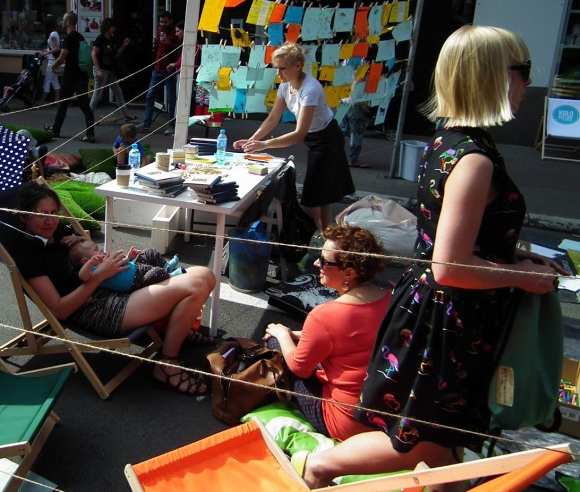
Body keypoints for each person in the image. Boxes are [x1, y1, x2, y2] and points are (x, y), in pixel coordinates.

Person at [296, 26, 571, 489]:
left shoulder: (449, 142)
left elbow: (457, 236)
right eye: (522, 71)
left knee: (442, 435)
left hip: (441, 311)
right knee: (425, 438)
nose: (527, 81)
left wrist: (516, 254)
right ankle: (321, 467)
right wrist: (520, 277)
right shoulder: (474, 158)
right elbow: (449, 265)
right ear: (491, 77)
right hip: (452, 318)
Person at [0, 181, 216, 395]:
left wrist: (89, 248)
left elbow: (88, 254)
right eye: (40, 214)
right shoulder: (27, 255)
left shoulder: (58, 232)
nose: (50, 220)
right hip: (97, 311)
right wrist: (97, 278)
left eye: (54, 212)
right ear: (24, 216)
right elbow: (60, 310)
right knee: (195, 284)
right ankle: (167, 365)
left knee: (205, 275)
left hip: (111, 291)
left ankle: (177, 327)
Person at [264, 224, 390, 442]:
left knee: (274, 343)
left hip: (345, 422)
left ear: (348, 273)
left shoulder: (324, 315)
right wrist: (300, 334)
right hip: (384, 415)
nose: (316, 263)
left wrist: (283, 334)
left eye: (324, 261)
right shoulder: (390, 298)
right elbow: (349, 338)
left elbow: (299, 368)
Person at [234, 42, 354, 232]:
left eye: (282, 69)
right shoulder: (285, 86)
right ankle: (325, 237)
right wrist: (252, 140)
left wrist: (264, 144)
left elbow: (299, 134)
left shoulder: (310, 89)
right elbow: (273, 118)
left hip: (328, 140)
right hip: (315, 140)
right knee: (321, 197)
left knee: (312, 200)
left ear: (297, 65)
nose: (278, 74)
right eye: (276, 68)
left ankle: (319, 238)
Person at [44, 12, 97, 142]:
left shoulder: (69, 38)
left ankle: (56, 130)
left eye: (63, 20)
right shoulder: (80, 37)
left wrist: (53, 67)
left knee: (63, 103)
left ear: (68, 22)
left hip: (70, 76)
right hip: (81, 75)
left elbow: (62, 57)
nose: (62, 22)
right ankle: (90, 134)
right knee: (85, 105)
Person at [68, 240, 180, 292]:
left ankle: (166, 266)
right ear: (84, 261)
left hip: (137, 268)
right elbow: (82, 276)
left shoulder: (105, 260)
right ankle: (170, 275)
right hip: (137, 282)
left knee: (148, 252)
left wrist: (129, 257)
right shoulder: (92, 271)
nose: (101, 249)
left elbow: (122, 263)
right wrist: (90, 263)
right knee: (155, 273)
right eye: (96, 249)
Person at [139, 11, 180, 133]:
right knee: (150, 96)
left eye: (165, 22)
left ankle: (172, 125)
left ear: (170, 21)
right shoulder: (159, 30)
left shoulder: (176, 32)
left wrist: (169, 43)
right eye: (161, 22)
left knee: (171, 98)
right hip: (157, 68)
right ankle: (146, 124)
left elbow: (179, 49)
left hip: (169, 68)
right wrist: (155, 43)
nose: (162, 24)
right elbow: (157, 49)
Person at [90, 18, 136, 121]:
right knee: (97, 94)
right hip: (101, 69)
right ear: (108, 27)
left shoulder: (111, 39)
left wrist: (124, 45)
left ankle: (125, 114)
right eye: (113, 27)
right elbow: (93, 54)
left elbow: (116, 54)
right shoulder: (100, 39)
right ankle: (90, 117)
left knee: (117, 91)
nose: (114, 29)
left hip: (109, 70)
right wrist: (98, 69)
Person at [38, 29, 62, 104]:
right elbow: (52, 47)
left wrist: (46, 53)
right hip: (53, 60)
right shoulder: (55, 34)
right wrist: (45, 51)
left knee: (47, 80)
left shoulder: (53, 35)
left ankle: (42, 100)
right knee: (54, 80)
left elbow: (56, 48)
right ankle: (57, 99)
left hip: (52, 61)